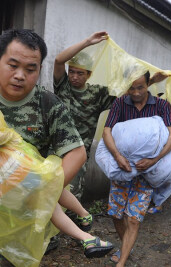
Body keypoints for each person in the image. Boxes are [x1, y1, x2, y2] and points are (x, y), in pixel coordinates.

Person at [0, 30, 112, 266]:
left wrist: (42, 191)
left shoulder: (48, 104)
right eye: (13, 65)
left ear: (39, 70)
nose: (20, 75)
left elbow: (77, 153)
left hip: (18, 217)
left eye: (30, 69)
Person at [102, 71, 171, 266]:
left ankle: (122, 261)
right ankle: (126, 246)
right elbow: (107, 130)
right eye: (131, 88)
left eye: (140, 87)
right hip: (123, 169)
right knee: (116, 214)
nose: (135, 92)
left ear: (148, 85)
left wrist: (154, 160)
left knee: (134, 219)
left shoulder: (161, 105)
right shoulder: (120, 103)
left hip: (147, 172)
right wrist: (118, 156)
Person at [53, 31, 116, 207]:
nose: (74, 76)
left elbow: (125, 95)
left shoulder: (97, 93)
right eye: (71, 72)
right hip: (55, 150)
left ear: (88, 74)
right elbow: (59, 60)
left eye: (80, 73)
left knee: (72, 193)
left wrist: (149, 82)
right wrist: (87, 42)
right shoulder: (63, 87)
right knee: (49, 191)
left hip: (78, 153)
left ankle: (72, 230)